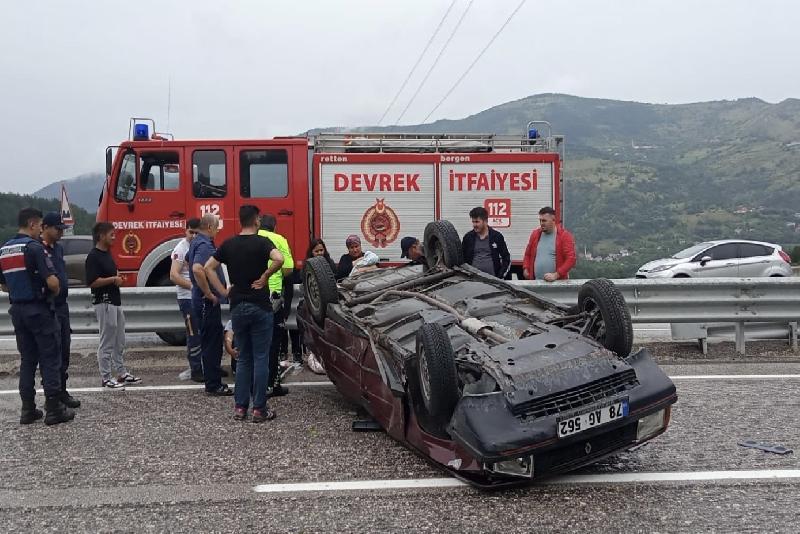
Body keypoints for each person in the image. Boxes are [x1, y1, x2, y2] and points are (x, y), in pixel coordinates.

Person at [205, 204, 284, 422]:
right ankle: (259, 408)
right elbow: (279, 259)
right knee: (261, 358)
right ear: (257, 220)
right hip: (260, 305)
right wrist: (266, 275)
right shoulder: (262, 242)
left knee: (243, 358)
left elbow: (207, 267)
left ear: (240, 220)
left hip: (237, 305)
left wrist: (223, 292)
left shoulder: (229, 244)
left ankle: (240, 407)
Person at [0, 208, 74, 425]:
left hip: (18, 311)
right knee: (50, 358)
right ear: (32, 224)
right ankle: (53, 408)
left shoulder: (4, 249)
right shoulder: (33, 248)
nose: (40, 229)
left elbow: (3, 285)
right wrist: (53, 288)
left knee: (27, 360)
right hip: (39, 310)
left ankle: (28, 409)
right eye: (40, 225)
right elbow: (52, 282)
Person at [86, 222, 141, 389]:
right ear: (101, 236)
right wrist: (112, 280)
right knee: (107, 340)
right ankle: (106, 376)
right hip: (104, 302)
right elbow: (92, 282)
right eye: (111, 234)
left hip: (115, 301)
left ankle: (121, 372)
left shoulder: (108, 254)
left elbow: (112, 275)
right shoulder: (93, 256)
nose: (114, 237)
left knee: (119, 339)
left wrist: (118, 279)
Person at [187, 213, 231, 396]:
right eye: (217, 227)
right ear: (210, 227)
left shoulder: (196, 241)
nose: (218, 230)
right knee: (211, 342)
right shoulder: (204, 244)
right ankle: (213, 384)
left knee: (210, 339)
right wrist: (208, 293)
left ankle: (212, 378)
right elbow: (198, 268)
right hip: (206, 301)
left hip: (201, 300)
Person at [41, 212, 80, 409]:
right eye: (57, 229)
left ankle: (62, 390)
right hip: (49, 307)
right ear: (45, 227)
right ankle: (52, 396)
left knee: (65, 348)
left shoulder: (58, 249)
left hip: (62, 306)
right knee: (52, 352)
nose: (61, 233)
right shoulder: (39, 250)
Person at [257, 214, 294, 397]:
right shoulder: (279, 239)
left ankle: (255, 386)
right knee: (273, 343)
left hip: (252, 295)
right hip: (273, 297)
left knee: (254, 343)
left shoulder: (251, 238)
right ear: (274, 226)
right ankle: (272, 384)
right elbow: (288, 269)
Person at [170, 218, 203, 382]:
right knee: (193, 334)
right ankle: (195, 369)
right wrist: (193, 287)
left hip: (200, 297)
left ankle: (208, 366)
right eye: (191, 232)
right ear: (186, 231)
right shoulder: (181, 248)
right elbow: (174, 275)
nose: (194, 236)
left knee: (205, 333)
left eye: (197, 233)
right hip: (187, 298)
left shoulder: (201, 246)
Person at [522, 206, 577, 281]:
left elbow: (571, 259)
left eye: (544, 221)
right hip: (536, 283)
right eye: (540, 220)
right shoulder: (535, 234)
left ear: (553, 220)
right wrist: (526, 268)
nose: (541, 223)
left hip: (556, 285)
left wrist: (556, 275)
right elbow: (527, 254)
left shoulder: (564, 236)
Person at [461, 206, 511, 278]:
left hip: (493, 282)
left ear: (485, 221)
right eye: (473, 222)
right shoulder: (468, 237)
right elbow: (462, 260)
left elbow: (506, 258)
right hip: (473, 282)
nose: (474, 225)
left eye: (477, 222)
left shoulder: (497, 236)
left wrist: (500, 276)